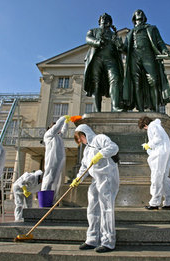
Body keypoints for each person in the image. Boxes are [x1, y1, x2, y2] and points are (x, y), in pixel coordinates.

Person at [70, 124, 119, 253]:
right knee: (92, 208)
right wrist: (77, 179)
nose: (80, 142)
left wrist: (101, 154)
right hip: (96, 179)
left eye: (80, 138)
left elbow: (114, 147)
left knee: (106, 208)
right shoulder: (86, 151)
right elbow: (84, 167)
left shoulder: (99, 139)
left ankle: (108, 241)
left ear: (84, 134)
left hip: (107, 177)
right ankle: (92, 239)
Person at [122, 9, 170, 112]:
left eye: (141, 13)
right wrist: (119, 45)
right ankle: (140, 110)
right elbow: (125, 49)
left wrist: (165, 50)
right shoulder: (130, 33)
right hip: (134, 57)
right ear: (134, 18)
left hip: (148, 55)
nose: (139, 13)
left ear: (144, 17)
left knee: (153, 81)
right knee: (136, 84)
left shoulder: (151, 28)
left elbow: (159, 42)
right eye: (137, 13)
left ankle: (155, 108)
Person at [83, 13, 124, 112]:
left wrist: (118, 43)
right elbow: (88, 39)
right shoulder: (93, 31)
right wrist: (97, 42)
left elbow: (121, 47)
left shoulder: (114, 34)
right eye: (102, 19)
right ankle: (97, 110)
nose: (104, 21)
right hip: (96, 59)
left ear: (110, 22)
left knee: (115, 79)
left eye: (106, 19)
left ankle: (115, 107)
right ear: (99, 21)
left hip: (111, 60)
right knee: (96, 83)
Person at [138, 116, 170, 210]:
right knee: (164, 178)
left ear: (145, 125)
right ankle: (168, 202)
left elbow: (157, 139)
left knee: (156, 178)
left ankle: (155, 203)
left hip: (159, 154)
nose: (145, 129)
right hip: (165, 153)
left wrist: (148, 145)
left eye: (144, 128)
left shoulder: (152, 126)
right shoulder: (159, 126)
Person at [41, 115, 70, 203]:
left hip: (58, 161)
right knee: (49, 179)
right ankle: (44, 199)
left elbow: (64, 131)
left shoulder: (58, 137)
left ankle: (52, 200)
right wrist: (63, 118)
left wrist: (66, 122)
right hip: (51, 160)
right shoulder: (49, 134)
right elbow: (57, 127)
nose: (59, 130)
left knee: (56, 181)